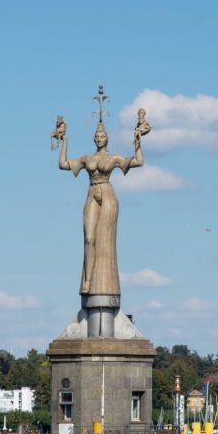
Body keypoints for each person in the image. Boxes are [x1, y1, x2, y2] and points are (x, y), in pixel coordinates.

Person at [56, 114, 144, 298]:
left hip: (107, 193)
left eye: (102, 136)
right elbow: (63, 164)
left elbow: (138, 161)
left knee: (105, 239)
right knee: (89, 238)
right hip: (92, 193)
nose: (99, 139)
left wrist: (138, 140)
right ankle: (87, 280)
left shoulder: (114, 158)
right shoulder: (86, 159)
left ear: (107, 139)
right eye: (96, 136)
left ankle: (103, 280)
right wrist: (65, 140)